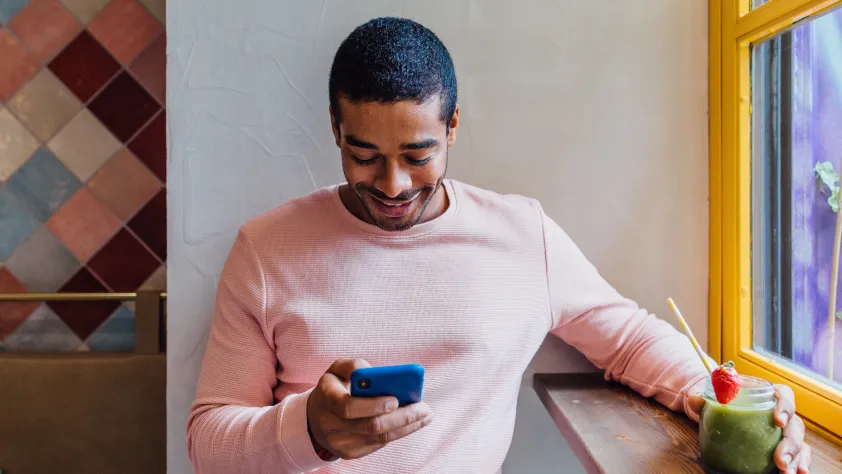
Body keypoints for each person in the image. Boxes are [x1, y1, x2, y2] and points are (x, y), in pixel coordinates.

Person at [186, 17, 810, 474]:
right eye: (365, 155)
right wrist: (309, 433)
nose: (393, 185)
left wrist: (736, 404)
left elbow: (629, 338)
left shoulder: (521, 235)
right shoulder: (266, 249)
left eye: (418, 155)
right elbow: (208, 442)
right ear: (335, 128)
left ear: (452, 126)